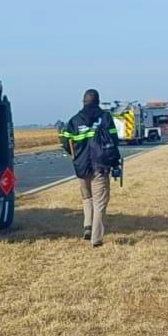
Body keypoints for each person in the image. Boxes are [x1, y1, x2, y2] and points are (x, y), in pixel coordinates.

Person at [62, 89, 121, 247]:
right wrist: (114, 162)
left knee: (87, 198)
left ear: (83, 102)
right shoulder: (105, 117)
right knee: (100, 202)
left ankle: (87, 226)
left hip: (81, 167)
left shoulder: (74, 120)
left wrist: (76, 156)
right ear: (98, 101)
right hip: (100, 167)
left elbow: (65, 142)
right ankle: (96, 239)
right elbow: (114, 140)